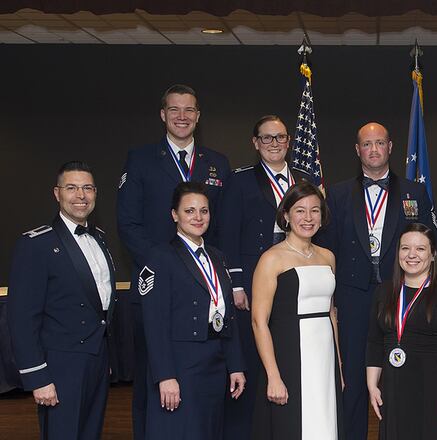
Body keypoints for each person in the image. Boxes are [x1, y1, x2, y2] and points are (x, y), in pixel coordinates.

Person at [117, 84, 231, 440]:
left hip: (207, 295)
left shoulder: (217, 163)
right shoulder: (140, 160)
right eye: (175, 109)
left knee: (204, 393)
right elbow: (128, 225)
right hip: (160, 291)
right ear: (163, 114)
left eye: (189, 110)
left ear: (198, 116)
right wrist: (168, 264)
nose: (182, 116)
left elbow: (221, 227)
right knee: (156, 386)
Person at [320, 122, 433, 440]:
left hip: (400, 295)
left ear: (390, 147)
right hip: (352, 298)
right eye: (366, 144)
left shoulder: (415, 192)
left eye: (379, 143)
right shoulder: (339, 194)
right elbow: (328, 248)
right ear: (357, 151)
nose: (373, 149)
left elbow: (428, 245)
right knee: (353, 381)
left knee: (402, 374)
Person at [217, 115, 310, 439]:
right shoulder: (239, 181)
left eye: (280, 137)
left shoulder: (304, 179)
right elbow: (227, 233)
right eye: (267, 138)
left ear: (289, 142)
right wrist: (237, 284)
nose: (274, 143)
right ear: (255, 143)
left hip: (295, 283)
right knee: (254, 367)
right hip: (255, 286)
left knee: (288, 359)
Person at [8, 161, 116, 440]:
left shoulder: (100, 239)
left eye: (87, 188)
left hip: (96, 360)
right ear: (57, 194)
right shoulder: (36, 244)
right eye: (72, 188)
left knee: (90, 433)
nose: (81, 195)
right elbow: (21, 317)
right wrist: (37, 377)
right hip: (59, 365)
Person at [139, 181, 245, 439]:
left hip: (214, 364)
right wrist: (165, 376)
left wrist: (236, 366)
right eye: (189, 211)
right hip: (181, 367)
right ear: (174, 214)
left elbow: (227, 315)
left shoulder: (218, 257)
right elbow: (154, 324)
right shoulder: (160, 257)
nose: (198, 217)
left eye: (204, 211)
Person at [249, 181, 342, 439]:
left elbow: (331, 314)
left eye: (315, 210)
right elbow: (259, 321)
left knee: (326, 423)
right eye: (300, 210)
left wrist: (339, 368)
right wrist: (273, 375)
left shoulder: (328, 256)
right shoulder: (271, 259)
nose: (308, 217)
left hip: (325, 359)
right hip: (289, 358)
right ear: (286, 215)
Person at [366, 222, 437, 439]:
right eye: (405, 248)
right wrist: (372, 385)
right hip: (395, 390)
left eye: (420, 249)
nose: (411, 255)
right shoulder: (384, 291)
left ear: (433, 255)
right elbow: (374, 341)